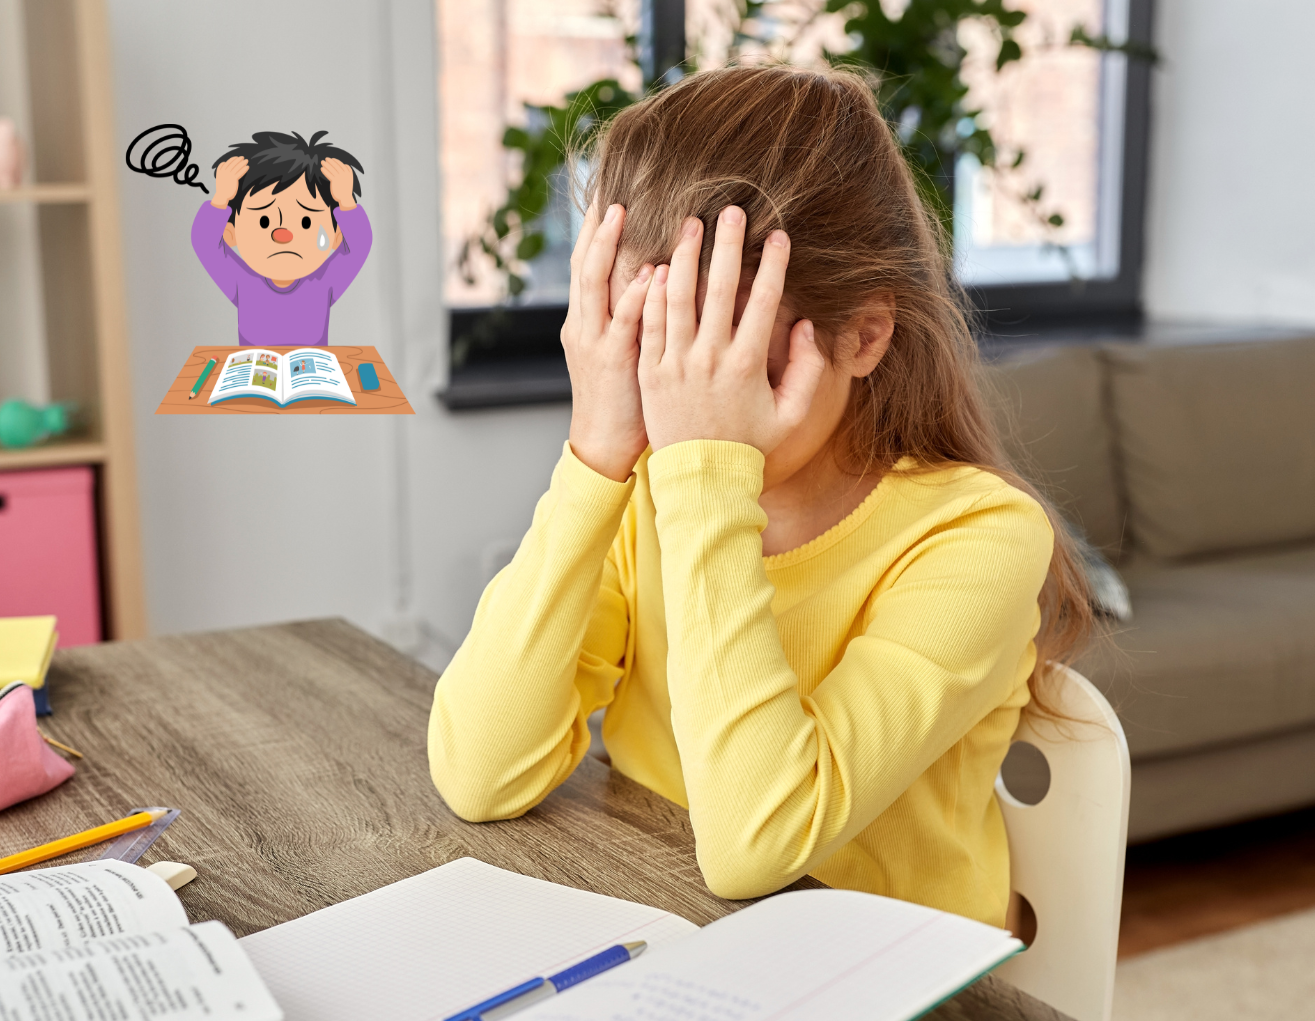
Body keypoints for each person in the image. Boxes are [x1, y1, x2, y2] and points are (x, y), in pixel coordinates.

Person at [427, 65, 1093, 928]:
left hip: (890, 985)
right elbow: (482, 772)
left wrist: (707, 476)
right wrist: (594, 458)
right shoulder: (644, 489)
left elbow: (758, 842)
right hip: (672, 929)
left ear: (864, 337)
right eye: (652, 341)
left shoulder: (980, 536)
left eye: (735, 354)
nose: (684, 395)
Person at [192, 130, 371, 347]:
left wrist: (346, 200)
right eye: (264, 221)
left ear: (336, 237)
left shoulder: (325, 283)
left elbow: (358, 245)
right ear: (231, 234)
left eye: (306, 222)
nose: (283, 235)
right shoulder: (242, 283)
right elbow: (205, 242)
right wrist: (221, 198)